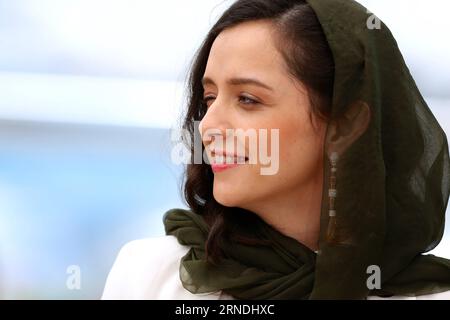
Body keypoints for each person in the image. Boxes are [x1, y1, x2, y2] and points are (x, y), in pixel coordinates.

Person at [102, 0, 450, 299]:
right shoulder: (151, 275)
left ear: (345, 125)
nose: (207, 125)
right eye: (209, 99)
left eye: (248, 99)